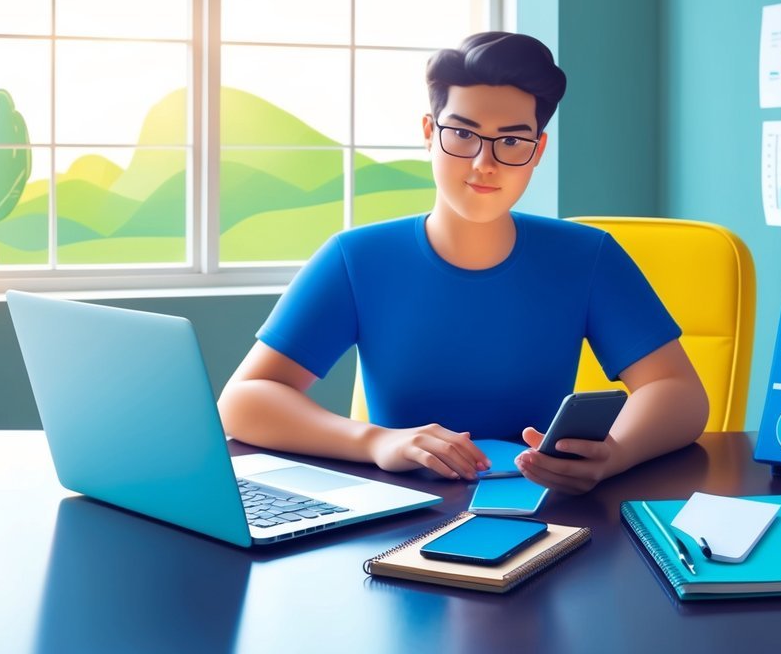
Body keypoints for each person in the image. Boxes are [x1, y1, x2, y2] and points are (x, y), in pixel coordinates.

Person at [218, 32, 709, 495]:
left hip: (548, 514)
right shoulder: (357, 258)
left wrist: (614, 454)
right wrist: (374, 442)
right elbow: (244, 399)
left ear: (538, 151)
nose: (483, 163)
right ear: (429, 133)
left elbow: (679, 391)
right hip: (399, 517)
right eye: (463, 135)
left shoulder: (588, 256)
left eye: (512, 141)